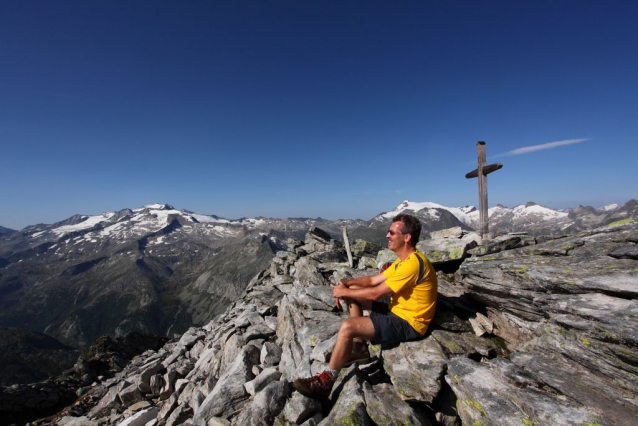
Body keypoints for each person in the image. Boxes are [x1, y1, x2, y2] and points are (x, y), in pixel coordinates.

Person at [292, 213, 438, 399]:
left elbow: (376, 293)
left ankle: (326, 381)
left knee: (348, 327)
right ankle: (360, 349)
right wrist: (347, 285)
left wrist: (344, 292)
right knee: (354, 296)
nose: (387, 235)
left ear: (407, 237)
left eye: (392, 233)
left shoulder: (413, 265)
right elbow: (371, 280)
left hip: (409, 323)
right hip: (396, 309)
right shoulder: (403, 262)